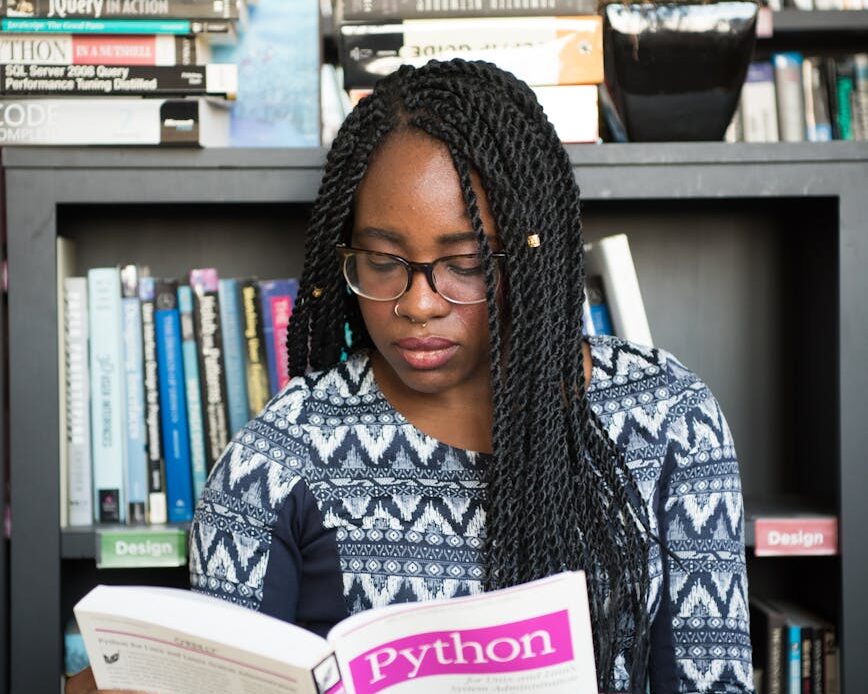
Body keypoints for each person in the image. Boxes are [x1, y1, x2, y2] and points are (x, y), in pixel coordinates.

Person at [68, 59, 753, 694]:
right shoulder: (281, 457)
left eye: (465, 262)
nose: (417, 304)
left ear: (528, 256)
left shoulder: (670, 421)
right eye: (383, 260)